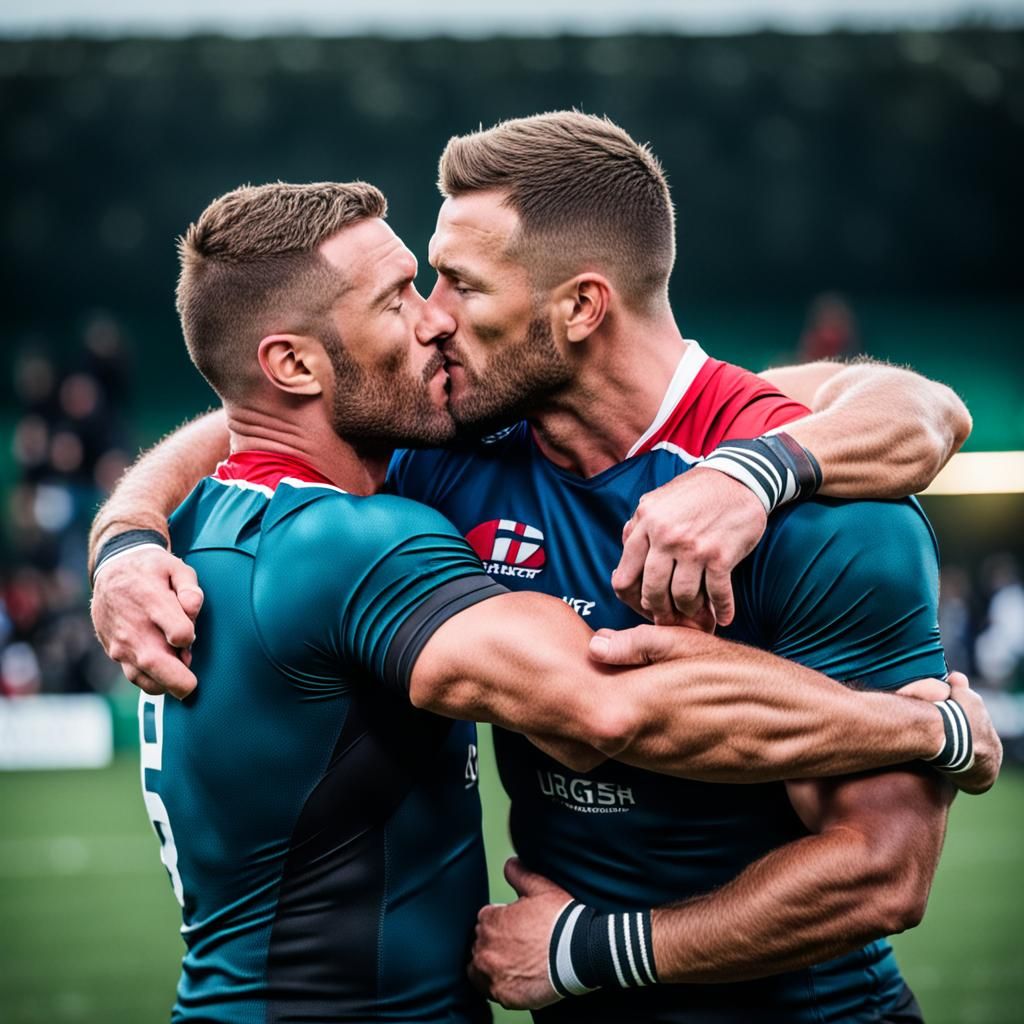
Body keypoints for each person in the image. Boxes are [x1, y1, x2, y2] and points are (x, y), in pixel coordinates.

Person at [90, 114, 994, 1023]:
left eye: (458, 284)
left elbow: (882, 874)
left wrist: (598, 951)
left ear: (579, 307)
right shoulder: (455, 453)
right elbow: (268, 413)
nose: (433, 317)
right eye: (415, 285)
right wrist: (126, 532)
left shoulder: (827, 506)